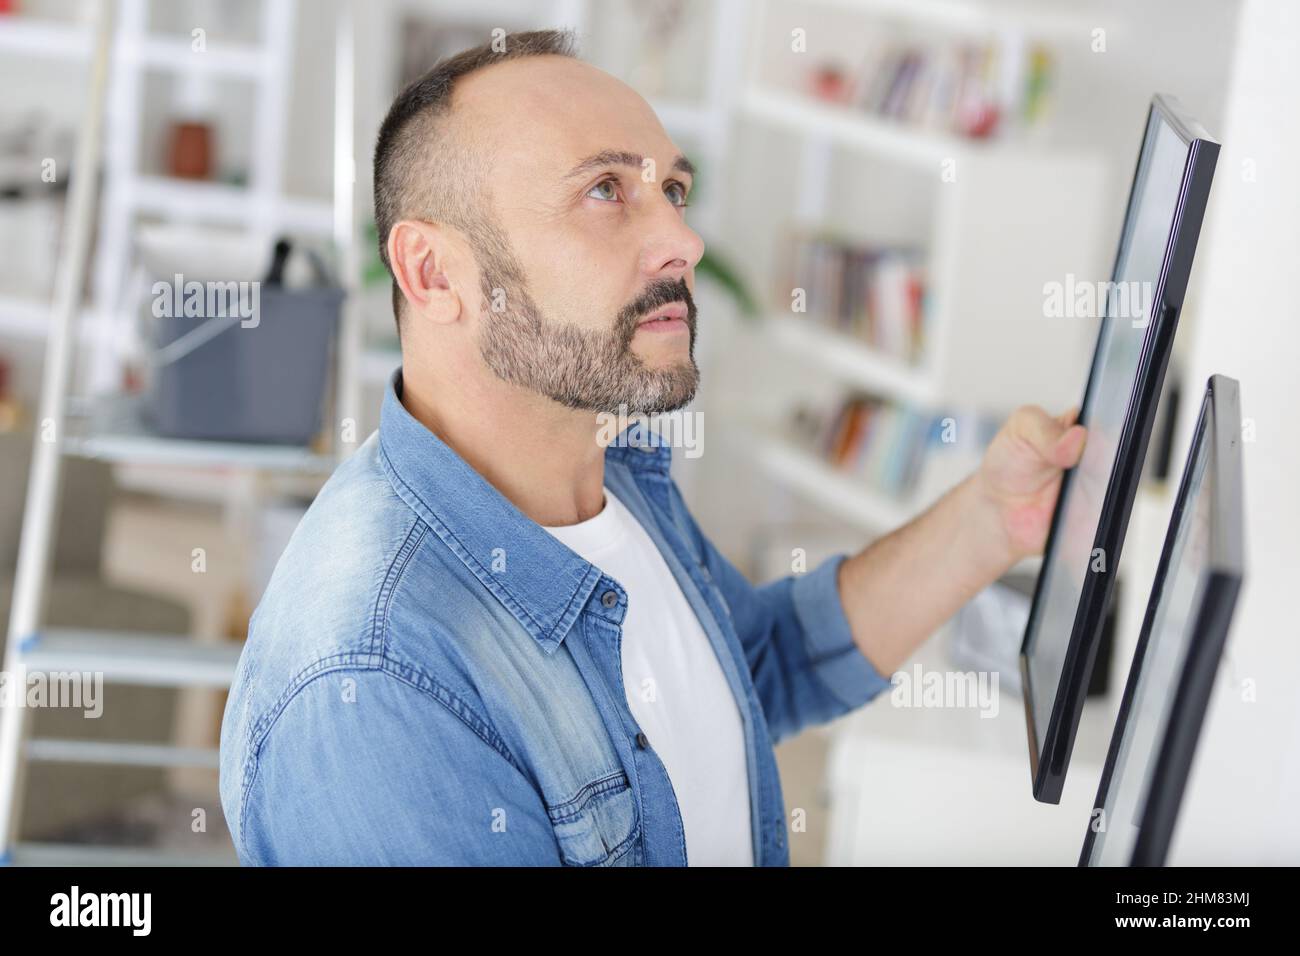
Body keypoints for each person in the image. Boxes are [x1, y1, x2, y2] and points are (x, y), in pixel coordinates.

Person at [218, 29, 1087, 866]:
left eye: (671, 188)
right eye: (605, 191)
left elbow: (759, 667)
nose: (684, 240)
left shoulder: (606, 479)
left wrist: (991, 518)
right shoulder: (377, 682)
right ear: (435, 274)